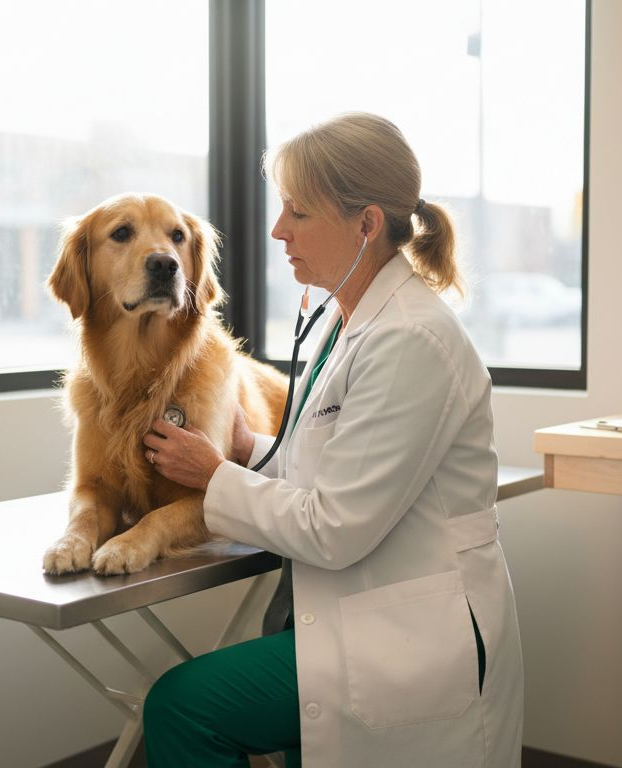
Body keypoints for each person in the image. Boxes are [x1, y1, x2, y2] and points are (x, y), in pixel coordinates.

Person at [140, 112, 524, 767]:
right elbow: (324, 466)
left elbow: (335, 526)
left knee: (183, 706)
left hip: (410, 635)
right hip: (354, 614)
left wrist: (212, 476)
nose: (277, 230)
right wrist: (247, 450)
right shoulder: (346, 324)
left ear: (366, 223)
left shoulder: (409, 340)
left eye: (298, 212)